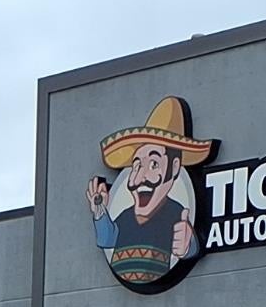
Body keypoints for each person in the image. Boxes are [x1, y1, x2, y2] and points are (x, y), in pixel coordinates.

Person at [87, 96, 214, 288]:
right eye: (136, 166)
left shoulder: (176, 216)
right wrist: (99, 210)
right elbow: (107, 239)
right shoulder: (124, 217)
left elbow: (186, 242)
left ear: (175, 167)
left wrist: (189, 247)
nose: (139, 178)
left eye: (154, 164)